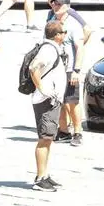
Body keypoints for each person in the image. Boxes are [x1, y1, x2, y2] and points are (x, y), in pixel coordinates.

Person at [44, 0, 91, 147]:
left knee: (71, 102)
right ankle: (63, 131)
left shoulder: (72, 25)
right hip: (54, 69)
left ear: (67, 6)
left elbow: (80, 48)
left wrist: (77, 70)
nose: (55, 6)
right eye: (53, 3)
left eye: (58, 3)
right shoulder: (51, 21)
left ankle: (77, 132)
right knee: (58, 101)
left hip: (69, 69)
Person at [29, 21, 68, 192]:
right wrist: (42, 88)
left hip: (51, 100)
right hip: (46, 101)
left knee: (48, 138)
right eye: (63, 32)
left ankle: (44, 174)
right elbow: (33, 67)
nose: (65, 35)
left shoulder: (52, 48)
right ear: (58, 35)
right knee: (44, 139)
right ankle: (39, 178)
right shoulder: (48, 50)